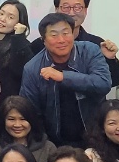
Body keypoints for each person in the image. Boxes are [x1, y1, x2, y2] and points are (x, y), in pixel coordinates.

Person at [19, 12, 112, 146]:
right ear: (43, 40)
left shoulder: (89, 50)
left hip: (96, 136)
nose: (61, 40)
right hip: (55, 142)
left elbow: (103, 83)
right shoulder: (32, 68)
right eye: (54, 35)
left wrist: (63, 76)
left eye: (66, 33)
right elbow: (31, 112)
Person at [27, 0, 119, 90]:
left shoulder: (96, 44)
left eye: (77, 7)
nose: (72, 13)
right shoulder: (39, 45)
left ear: (85, 10)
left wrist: (109, 59)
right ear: (56, 10)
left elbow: (114, 81)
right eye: (66, 7)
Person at [0, 0, 33, 102]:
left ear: (19, 23)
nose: (3, 19)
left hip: (9, 104)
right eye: (1, 13)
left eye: (10, 17)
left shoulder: (22, 46)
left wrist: (19, 37)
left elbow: (19, 72)